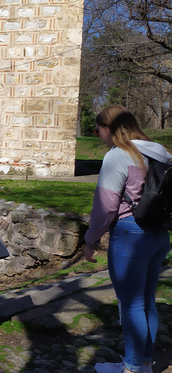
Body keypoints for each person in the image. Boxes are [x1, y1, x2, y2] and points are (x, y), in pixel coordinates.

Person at [84, 106, 171, 373]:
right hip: (158, 233)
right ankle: (142, 363)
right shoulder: (160, 152)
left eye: (97, 130)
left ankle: (133, 368)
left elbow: (106, 205)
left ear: (108, 128)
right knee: (146, 301)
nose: (98, 136)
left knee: (132, 304)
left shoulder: (119, 155)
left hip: (130, 235)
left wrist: (91, 239)